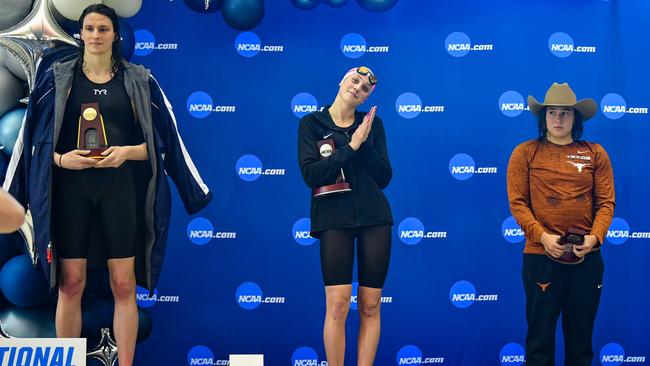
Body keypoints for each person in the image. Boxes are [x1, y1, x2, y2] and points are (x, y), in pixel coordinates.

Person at [2, 4, 212, 365]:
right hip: (71, 195)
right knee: (70, 286)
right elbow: (31, 140)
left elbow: (165, 142)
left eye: (103, 29)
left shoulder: (141, 80)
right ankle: (67, 360)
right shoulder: (56, 79)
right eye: (89, 29)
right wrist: (58, 162)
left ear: (115, 35)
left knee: (124, 285)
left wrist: (127, 153)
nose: (96, 36)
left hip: (121, 194)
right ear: (80, 34)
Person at [507, 82, 615, 366]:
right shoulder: (525, 153)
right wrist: (543, 238)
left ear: (575, 118)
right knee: (539, 342)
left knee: (581, 343)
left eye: (565, 113)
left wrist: (593, 240)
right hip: (540, 258)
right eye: (552, 112)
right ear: (543, 118)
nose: (558, 119)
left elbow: (605, 203)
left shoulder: (595, 153)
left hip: (586, 259)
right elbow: (518, 203)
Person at [298, 66, 393, 366]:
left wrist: (363, 143)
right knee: (337, 305)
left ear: (366, 98)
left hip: (374, 218)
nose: (357, 88)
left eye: (365, 88)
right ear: (341, 80)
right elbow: (311, 174)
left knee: (370, 304)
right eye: (355, 80)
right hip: (333, 219)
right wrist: (350, 146)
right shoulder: (311, 123)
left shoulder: (372, 126)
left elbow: (384, 177)